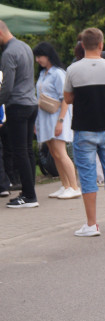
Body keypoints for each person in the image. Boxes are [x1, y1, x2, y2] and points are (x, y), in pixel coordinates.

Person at [63, 28, 105, 236]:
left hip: (84, 128)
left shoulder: (73, 69)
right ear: (101, 45)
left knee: (88, 174)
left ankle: (92, 224)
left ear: (82, 45)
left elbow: (68, 98)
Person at [0, 19, 41, 208]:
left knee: (19, 152)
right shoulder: (25, 47)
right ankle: (28, 190)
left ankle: (29, 196)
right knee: (27, 151)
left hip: (17, 106)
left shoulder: (8, 54)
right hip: (31, 103)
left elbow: (7, 87)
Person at [33, 43, 80, 200]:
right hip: (45, 117)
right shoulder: (43, 74)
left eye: (40, 56)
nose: (37, 59)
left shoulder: (59, 73)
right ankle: (65, 185)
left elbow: (65, 99)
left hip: (57, 116)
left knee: (60, 152)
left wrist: (60, 120)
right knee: (54, 153)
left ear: (48, 55)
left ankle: (74, 186)